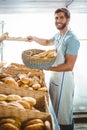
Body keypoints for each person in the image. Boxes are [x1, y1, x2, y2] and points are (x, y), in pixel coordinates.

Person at [27, 8, 80, 130]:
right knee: (54, 113)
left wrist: (48, 67)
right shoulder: (59, 35)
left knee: (64, 116)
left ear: (68, 19)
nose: (58, 20)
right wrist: (34, 38)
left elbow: (69, 66)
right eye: (56, 18)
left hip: (64, 82)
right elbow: (46, 42)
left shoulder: (72, 39)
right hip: (55, 79)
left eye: (61, 17)